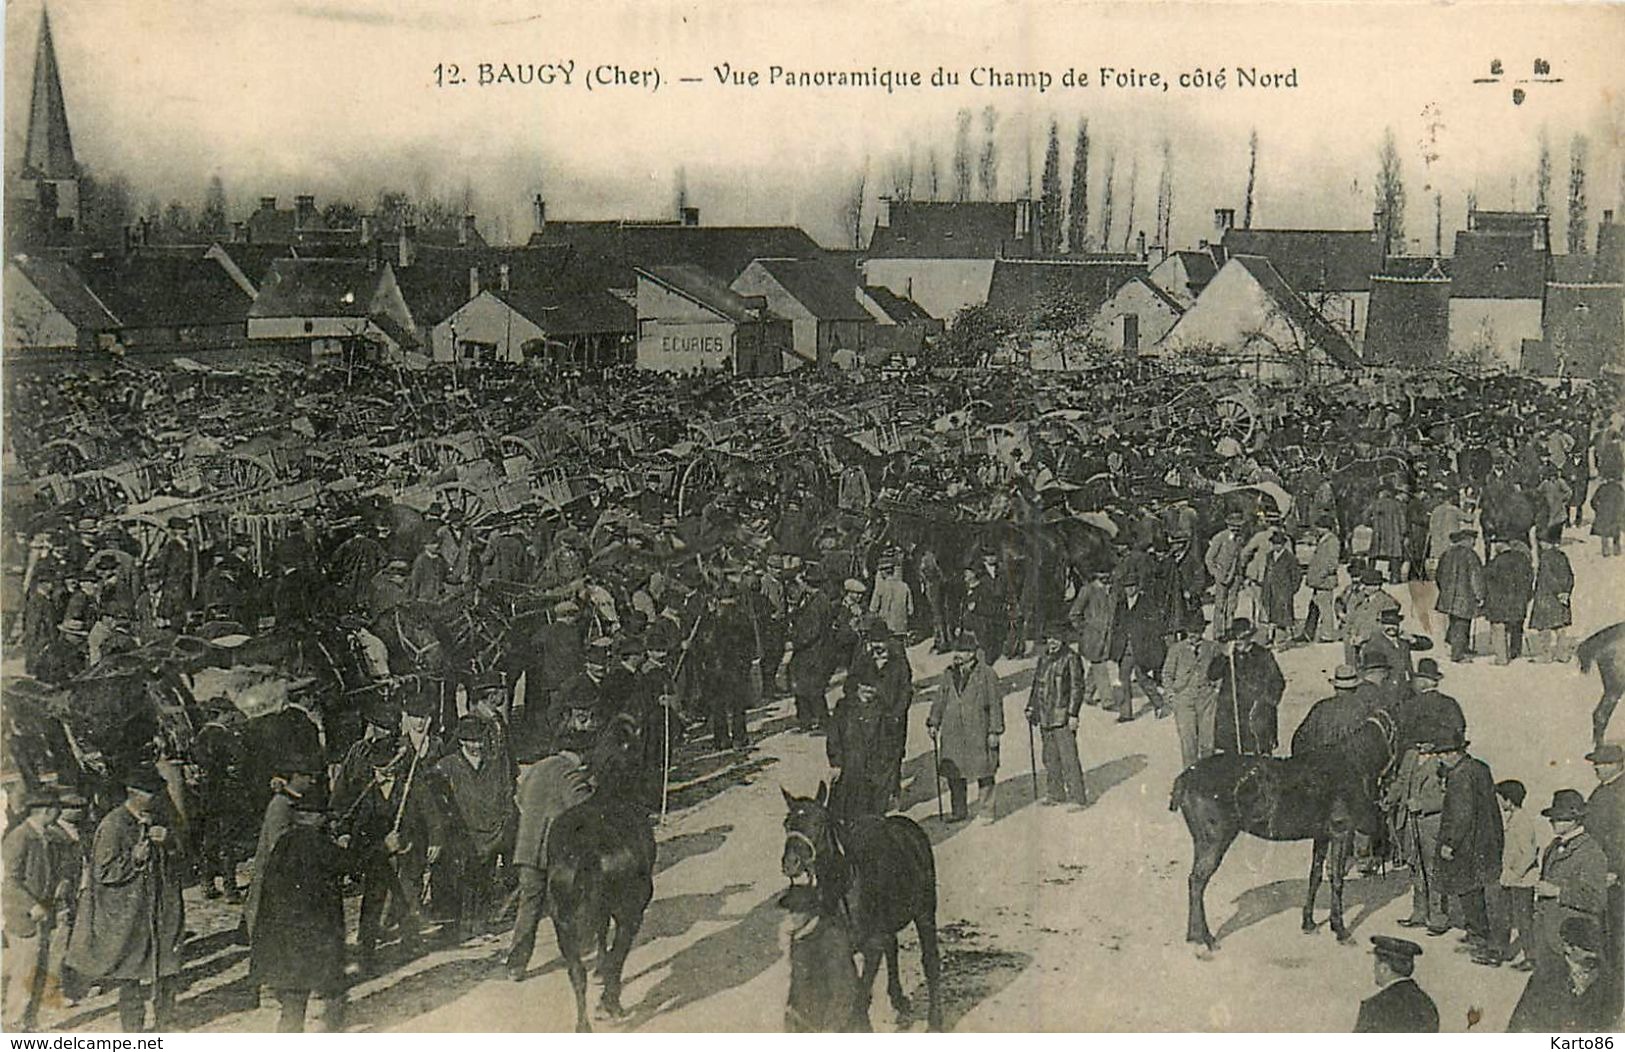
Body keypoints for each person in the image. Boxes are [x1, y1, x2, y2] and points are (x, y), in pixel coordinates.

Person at [65, 768, 185, 1032]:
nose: (158, 797)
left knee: (167, 968)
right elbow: (103, 872)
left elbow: (182, 855)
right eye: (152, 792)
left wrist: (170, 842)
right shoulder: (113, 825)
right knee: (130, 976)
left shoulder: (158, 818)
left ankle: (165, 1025)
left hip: (160, 908)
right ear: (135, 794)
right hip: (130, 913)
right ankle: (133, 1032)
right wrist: (134, 858)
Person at [248, 789, 348, 1032]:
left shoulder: (285, 842)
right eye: (325, 816)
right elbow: (350, 864)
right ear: (314, 817)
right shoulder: (318, 844)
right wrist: (385, 847)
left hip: (284, 939)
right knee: (332, 993)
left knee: (293, 1002)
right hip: (314, 938)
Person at [506, 743, 593, 981]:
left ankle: (516, 964)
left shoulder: (537, 767)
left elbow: (520, 799)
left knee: (529, 904)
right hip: (553, 852)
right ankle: (575, 951)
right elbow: (583, 808)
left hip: (527, 847)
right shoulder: (569, 773)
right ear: (579, 756)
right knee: (565, 901)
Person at [437, 715, 518, 940]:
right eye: (471, 741)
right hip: (465, 836)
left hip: (492, 833)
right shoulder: (448, 766)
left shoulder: (494, 764)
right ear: (461, 741)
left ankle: (480, 926)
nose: (477, 746)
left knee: (485, 880)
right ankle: (462, 928)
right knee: (465, 881)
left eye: (480, 740)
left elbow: (506, 794)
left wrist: (502, 824)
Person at [1431, 725, 1503, 953]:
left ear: (1454, 752)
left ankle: (1479, 935)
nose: (1440, 760)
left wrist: (1450, 843)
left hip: (1467, 842)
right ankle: (1476, 930)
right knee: (1475, 886)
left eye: (1442, 755)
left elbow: (1461, 814)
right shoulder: (1479, 767)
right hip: (1485, 838)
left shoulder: (1460, 776)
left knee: (1467, 888)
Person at [3, 789, 64, 1032]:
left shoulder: (42, 835)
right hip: (23, 917)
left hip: (41, 915)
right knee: (24, 971)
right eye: (56, 809)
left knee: (38, 970)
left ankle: (29, 1022)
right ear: (47, 811)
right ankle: (13, 1024)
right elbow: (9, 881)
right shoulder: (19, 837)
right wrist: (32, 904)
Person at [1532, 789, 1609, 974]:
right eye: (1552, 817)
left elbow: (1597, 900)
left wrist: (1557, 892)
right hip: (1547, 934)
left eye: (1559, 817)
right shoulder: (1553, 846)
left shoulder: (1590, 851)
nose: (1552, 822)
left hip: (1572, 941)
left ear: (1574, 819)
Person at [927, 648, 1004, 823]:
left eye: (961, 651)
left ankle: (987, 811)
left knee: (984, 769)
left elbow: (995, 704)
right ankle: (959, 811)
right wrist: (933, 722)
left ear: (971, 653)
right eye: (956, 650)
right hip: (953, 731)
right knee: (955, 773)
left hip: (978, 729)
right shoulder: (949, 674)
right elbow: (940, 699)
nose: (957, 654)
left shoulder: (987, 674)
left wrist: (994, 730)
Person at [1507, 915, 1621, 1031]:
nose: (1594, 955)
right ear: (1569, 947)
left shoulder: (1609, 982)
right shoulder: (1545, 977)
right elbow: (1520, 1022)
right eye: (1587, 950)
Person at [1025, 633, 1088, 808]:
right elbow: (1037, 685)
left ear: (1063, 639)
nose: (1052, 642)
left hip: (1062, 717)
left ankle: (1077, 797)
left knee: (1068, 758)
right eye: (1049, 638)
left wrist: (1073, 714)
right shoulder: (1043, 658)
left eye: (1056, 638)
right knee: (1050, 757)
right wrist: (1031, 707)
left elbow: (1077, 687)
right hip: (1045, 716)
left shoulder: (1071, 658)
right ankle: (1055, 793)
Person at [1208, 619, 1285, 756]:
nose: (1238, 642)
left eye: (1242, 639)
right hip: (1233, 714)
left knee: (1259, 755)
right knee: (1233, 756)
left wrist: (1264, 702)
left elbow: (1277, 683)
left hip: (1257, 713)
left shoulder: (1263, 655)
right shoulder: (1229, 656)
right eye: (1235, 639)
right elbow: (1212, 675)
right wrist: (1224, 656)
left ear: (1250, 638)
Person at [1489, 780, 1542, 969]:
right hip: (1510, 878)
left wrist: (1516, 874)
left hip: (1522, 882)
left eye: (1500, 799)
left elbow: (1529, 853)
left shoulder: (1522, 822)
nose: (1499, 802)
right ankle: (1499, 952)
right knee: (1502, 916)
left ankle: (1531, 957)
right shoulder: (1514, 818)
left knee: (1523, 921)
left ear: (1509, 800)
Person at [826, 676, 895, 817]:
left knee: (873, 813)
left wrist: (886, 768)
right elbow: (834, 736)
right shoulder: (844, 707)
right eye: (865, 685)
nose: (869, 690)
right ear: (858, 685)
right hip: (850, 767)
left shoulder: (882, 709)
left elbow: (889, 741)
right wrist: (836, 763)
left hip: (874, 769)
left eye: (873, 686)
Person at [1583, 742, 1624, 984]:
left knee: (1615, 926)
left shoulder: (1620, 791)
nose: (1596, 768)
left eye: (1601, 763)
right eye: (1596, 763)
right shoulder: (1603, 789)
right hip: (1599, 867)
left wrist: (1615, 871)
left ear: (1616, 765)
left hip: (1613, 873)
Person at [1163, 612, 1220, 768]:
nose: (1194, 635)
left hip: (1206, 698)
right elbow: (1167, 674)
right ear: (1186, 631)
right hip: (1184, 698)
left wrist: (1216, 690)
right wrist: (1170, 695)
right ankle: (1191, 777)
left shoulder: (1212, 647)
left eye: (1198, 631)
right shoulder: (1176, 649)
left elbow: (1220, 670)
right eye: (1191, 631)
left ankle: (1208, 777)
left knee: (1208, 742)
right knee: (1188, 743)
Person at [1352, 935, 1439, 1032]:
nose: (1373, 971)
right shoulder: (1426, 1003)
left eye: (1375, 965)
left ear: (1384, 969)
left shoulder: (1375, 1005)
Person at [1433, 528, 1484, 662]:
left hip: (1448, 595)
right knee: (1462, 623)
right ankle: (1458, 654)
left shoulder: (1446, 554)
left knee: (1456, 621)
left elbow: (1438, 575)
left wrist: (1444, 590)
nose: (1474, 543)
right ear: (1468, 540)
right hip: (1465, 596)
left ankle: (1462, 646)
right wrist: (1480, 595)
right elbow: (1476, 577)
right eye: (1473, 540)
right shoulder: (1471, 555)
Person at [1484, 539, 1533, 665]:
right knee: (1517, 624)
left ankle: (1502, 657)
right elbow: (1530, 578)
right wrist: (1526, 595)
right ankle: (1515, 651)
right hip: (1518, 600)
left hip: (1499, 601)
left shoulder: (1495, 562)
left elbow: (1486, 578)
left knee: (1498, 626)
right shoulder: (1523, 560)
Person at [1528, 536, 1574, 663]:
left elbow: (1548, 577)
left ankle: (1546, 655)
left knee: (1544, 627)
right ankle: (1562, 654)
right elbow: (1570, 576)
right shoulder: (1562, 556)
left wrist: (1558, 592)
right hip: (1562, 597)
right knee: (1560, 627)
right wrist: (1566, 592)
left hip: (1547, 596)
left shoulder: (1545, 557)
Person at [1204, 509, 1246, 631]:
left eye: (1239, 526)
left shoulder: (1240, 539)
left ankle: (1229, 628)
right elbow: (1209, 558)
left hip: (1235, 576)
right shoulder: (1219, 538)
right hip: (1222, 576)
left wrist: (1240, 575)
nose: (1236, 529)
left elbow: (1239, 557)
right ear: (1228, 525)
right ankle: (1218, 632)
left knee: (1232, 604)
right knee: (1220, 605)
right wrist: (1216, 573)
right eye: (1234, 526)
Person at [1301, 519, 1341, 644]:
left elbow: (1332, 563)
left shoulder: (1332, 541)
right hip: (1319, 582)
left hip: (1324, 582)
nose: (1317, 530)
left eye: (1318, 528)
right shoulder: (1324, 539)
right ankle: (1308, 632)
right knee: (1314, 607)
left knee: (1325, 608)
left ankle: (1327, 635)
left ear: (1325, 527)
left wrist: (1321, 575)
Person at [1591, 474, 1623, 557]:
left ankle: (1605, 551)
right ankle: (1617, 550)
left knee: (1604, 533)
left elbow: (1593, 501)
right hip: (1615, 514)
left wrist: (1598, 510)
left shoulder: (1602, 488)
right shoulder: (1619, 488)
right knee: (1616, 531)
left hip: (1604, 514)